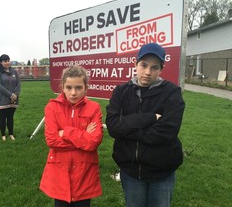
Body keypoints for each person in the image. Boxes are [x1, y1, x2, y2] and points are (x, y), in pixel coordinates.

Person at [105, 43, 185, 207]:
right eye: (144, 65)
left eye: (154, 67)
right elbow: (113, 126)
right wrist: (149, 118)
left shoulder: (171, 93)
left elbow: (166, 132)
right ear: (135, 64)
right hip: (131, 170)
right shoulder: (121, 91)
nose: (148, 72)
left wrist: (127, 131)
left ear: (161, 69)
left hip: (161, 171)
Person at [40, 66, 103, 207]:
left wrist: (66, 133)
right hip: (59, 172)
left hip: (84, 174)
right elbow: (52, 140)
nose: (73, 93)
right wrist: (83, 135)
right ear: (62, 87)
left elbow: (93, 142)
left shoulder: (94, 107)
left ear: (86, 87)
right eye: (68, 87)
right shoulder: (52, 107)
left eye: (78, 88)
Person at [0, 54, 21, 141]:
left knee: (10, 117)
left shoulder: (14, 72)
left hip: (13, 99)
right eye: (5, 61)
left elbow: (18, 84)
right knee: (2, 117)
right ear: (1, 62)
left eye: (8, 60)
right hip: (2, 99)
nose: (7, 62)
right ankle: (3, 135)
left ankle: (11, 134)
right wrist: (10, 95)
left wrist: (15, 94)